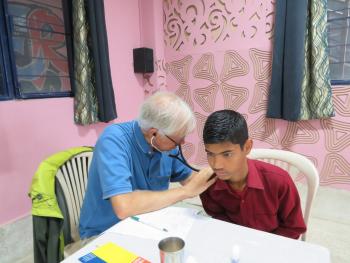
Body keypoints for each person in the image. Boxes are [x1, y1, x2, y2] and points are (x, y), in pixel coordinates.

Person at [79, 91, 216, 239]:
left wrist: (218, 174)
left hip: (147, 225)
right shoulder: (113, 141)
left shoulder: (166, 145)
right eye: (177, 139)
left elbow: (191, 179)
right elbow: (123, 207)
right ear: (153, 134)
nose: (182, 143)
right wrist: (185, 192)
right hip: (105, 232)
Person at [199, 109, 306, 239]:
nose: (216, 165)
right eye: (210, 153)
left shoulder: (279, 182)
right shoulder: (208, 184)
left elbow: (293, 228)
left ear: (248, 147)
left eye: (227, 154)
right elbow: (217, 217)